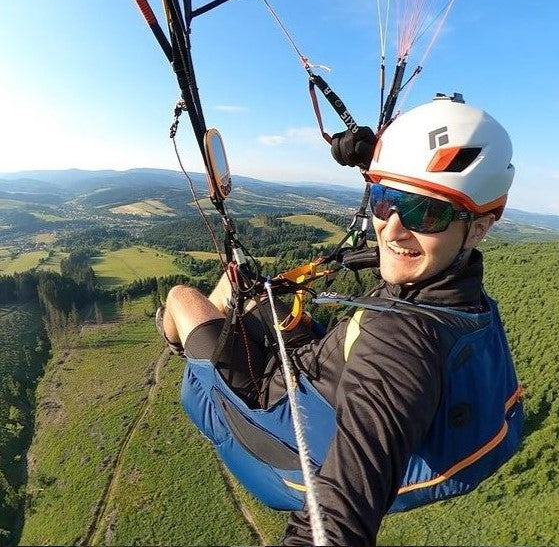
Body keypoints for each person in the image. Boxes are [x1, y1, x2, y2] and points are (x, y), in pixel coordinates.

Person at [157, 93, 523, 546]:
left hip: (280, 439)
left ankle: (191, 360)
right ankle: (220, 335)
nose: (390, 228)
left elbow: (337, 519)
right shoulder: (458, 292)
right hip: (318, 385)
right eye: (386, 199)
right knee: (244, 285)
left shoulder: (399, 346)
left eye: (426, 213)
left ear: (480, 226)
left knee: (184, 297)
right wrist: (376, 153)